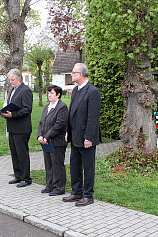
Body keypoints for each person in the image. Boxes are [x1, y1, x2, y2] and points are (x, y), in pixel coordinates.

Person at [63, 63, 101, 207]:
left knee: (88, 166)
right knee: (75, 165)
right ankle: (76, 192)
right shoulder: (75, 90)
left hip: (86, 137)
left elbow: (93, 117)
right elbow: (71, 112)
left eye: (73, 73)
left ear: (81, 74)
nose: (71, 75)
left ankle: (88, 195)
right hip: (75, 135)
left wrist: (89, 137)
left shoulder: (93, 92)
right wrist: (68, 131)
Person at [0, 69, 33, 188]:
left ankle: (26, 178)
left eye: (12, 80)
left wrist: (12, 114)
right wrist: (4, 113)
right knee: (14, 152)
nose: (10, 82)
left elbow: (27, 109)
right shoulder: (13, 90)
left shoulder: (26, 90)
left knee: (22, 153)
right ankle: (18, 175)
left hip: (22, 128)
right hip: (12, 127)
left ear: (19, 79)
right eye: (10, 80)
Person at [37, 85, 68, 196]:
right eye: (48, 93)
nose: (49, 95)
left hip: (57, 142)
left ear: (58, 94)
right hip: (46, 142)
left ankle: (59, 187)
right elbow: (42, 123)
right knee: (48, 164)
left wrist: (47, 137)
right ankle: (49, 185)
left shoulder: (62, 107)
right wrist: (40, 136)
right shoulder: (47, 107)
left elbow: (59, 125)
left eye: (52, 93)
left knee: (57, 164)